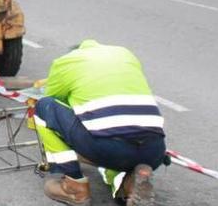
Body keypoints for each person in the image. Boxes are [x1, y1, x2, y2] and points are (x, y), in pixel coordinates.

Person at [36, 40, 166, 206]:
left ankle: (74, 187)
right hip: (154, 152)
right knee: (117, 130)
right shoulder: (125, 54)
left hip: (108, 148)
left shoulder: (67, 62)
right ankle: (130, 183)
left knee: (44, 106)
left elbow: (55, 98)